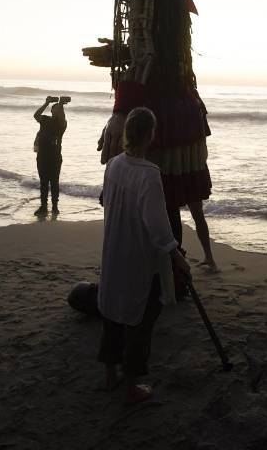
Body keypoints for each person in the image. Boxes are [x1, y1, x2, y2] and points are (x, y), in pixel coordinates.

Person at [84, 0, 218, 269]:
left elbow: (145, 58)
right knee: (166, 201)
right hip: (180, 108)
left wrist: (120, 112)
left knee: (143, 201)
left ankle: (157, 283)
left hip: (153, 111)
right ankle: (170, 279)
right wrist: (121, 53)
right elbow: (157, 50)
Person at [97, 107, 190, 405]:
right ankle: (131, 387)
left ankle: (110, 375)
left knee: (112, 313)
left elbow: (105, 200)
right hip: (137, 256)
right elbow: (158, 225)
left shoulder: (113, 165)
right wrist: (177, 257)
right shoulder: (149, 174)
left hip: (113, 250)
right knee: (141, 320)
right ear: (150, 135)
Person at [33, 95, 67, 216]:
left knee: (54, 182)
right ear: (51, 111)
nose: (57, 110)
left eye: (59, 109)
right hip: (42, 156)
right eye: (55, 108)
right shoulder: (45, 120)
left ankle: (55, 207)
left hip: (55, 157)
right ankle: (43, 206)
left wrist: (61, 105)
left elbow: (62, 118)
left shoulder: (61, 124)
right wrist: (47, 103)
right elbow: (36, 115)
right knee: (43, 182)